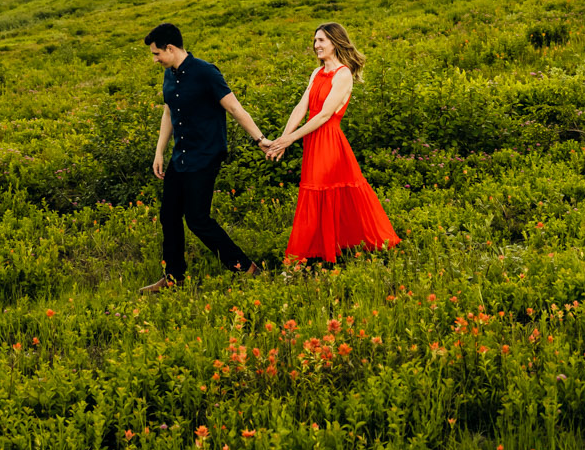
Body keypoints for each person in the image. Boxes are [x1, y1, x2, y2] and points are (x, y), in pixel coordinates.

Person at [142, 22, 272, 291]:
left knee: (198, 219)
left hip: (206, 155)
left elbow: (235, 108)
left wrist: (259, 139)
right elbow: (168, 112)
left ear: (170, 48)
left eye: (156, 54)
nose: (155, 60)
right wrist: (159, 152)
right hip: (181, 156)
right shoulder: (170, 74)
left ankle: (246, 268)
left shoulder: (205, 72)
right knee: (169, 215)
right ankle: (173, 277)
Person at [263, 22, 400, 263]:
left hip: (331, 143)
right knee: (317, 194)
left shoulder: (343, 74)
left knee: (322, 195)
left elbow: (325, 114)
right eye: (315, 40)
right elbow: (301, 107)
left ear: (335, 43)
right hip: (313, 141)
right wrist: (283, 140)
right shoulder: (316, 73)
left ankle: (297, 260)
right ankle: (324, 249)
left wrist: (292, 138)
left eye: (321, 41)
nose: (316, 45)